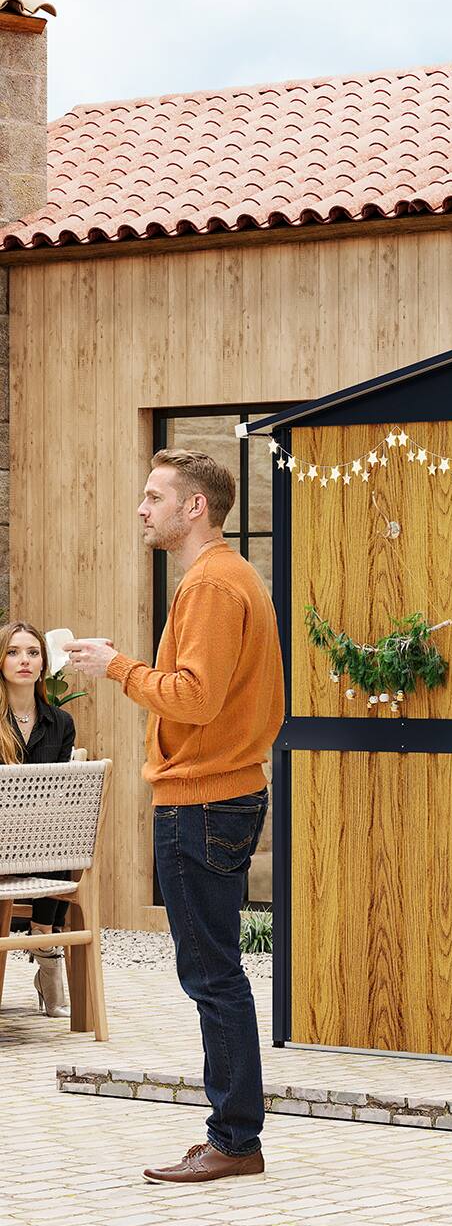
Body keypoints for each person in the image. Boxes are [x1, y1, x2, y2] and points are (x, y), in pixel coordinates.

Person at [66, 449, 284, 1184]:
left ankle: (234, 1141)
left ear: (196, 508)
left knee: (212, 975)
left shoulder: (214, 585)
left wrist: (118, 668)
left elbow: (194, 698)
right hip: (219, 794)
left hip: (203, 801)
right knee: (217, 971)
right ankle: (233, 1135)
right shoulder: (224, 579)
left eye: (155, 496)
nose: (142, 508)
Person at [1, 620, 80, 1014]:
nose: (24, 660)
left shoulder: (60, 723)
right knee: (57, 843)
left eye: (33, 652)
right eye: (14, 652)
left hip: (40, 839)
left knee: (60, 842)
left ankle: (43, 937)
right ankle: (47, 949)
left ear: (44, 663)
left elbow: (60, 794)